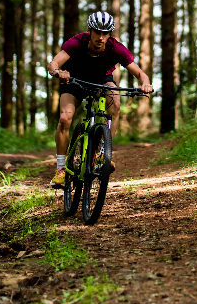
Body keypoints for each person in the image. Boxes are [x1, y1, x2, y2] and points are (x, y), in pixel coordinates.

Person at [47, 11, 152, 188]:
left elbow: (140, 73)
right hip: (74, 80)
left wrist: (146, 84)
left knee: (115, 103)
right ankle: (60, 169)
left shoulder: (116, 48)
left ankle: (103, 154)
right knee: (65, 118)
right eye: (97, 32)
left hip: (101, 80)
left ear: (110, 34)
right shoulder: (77, 42)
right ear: (90, 31)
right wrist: (58, 72)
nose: (101, 37)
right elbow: (53, 64)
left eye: (105, 33)